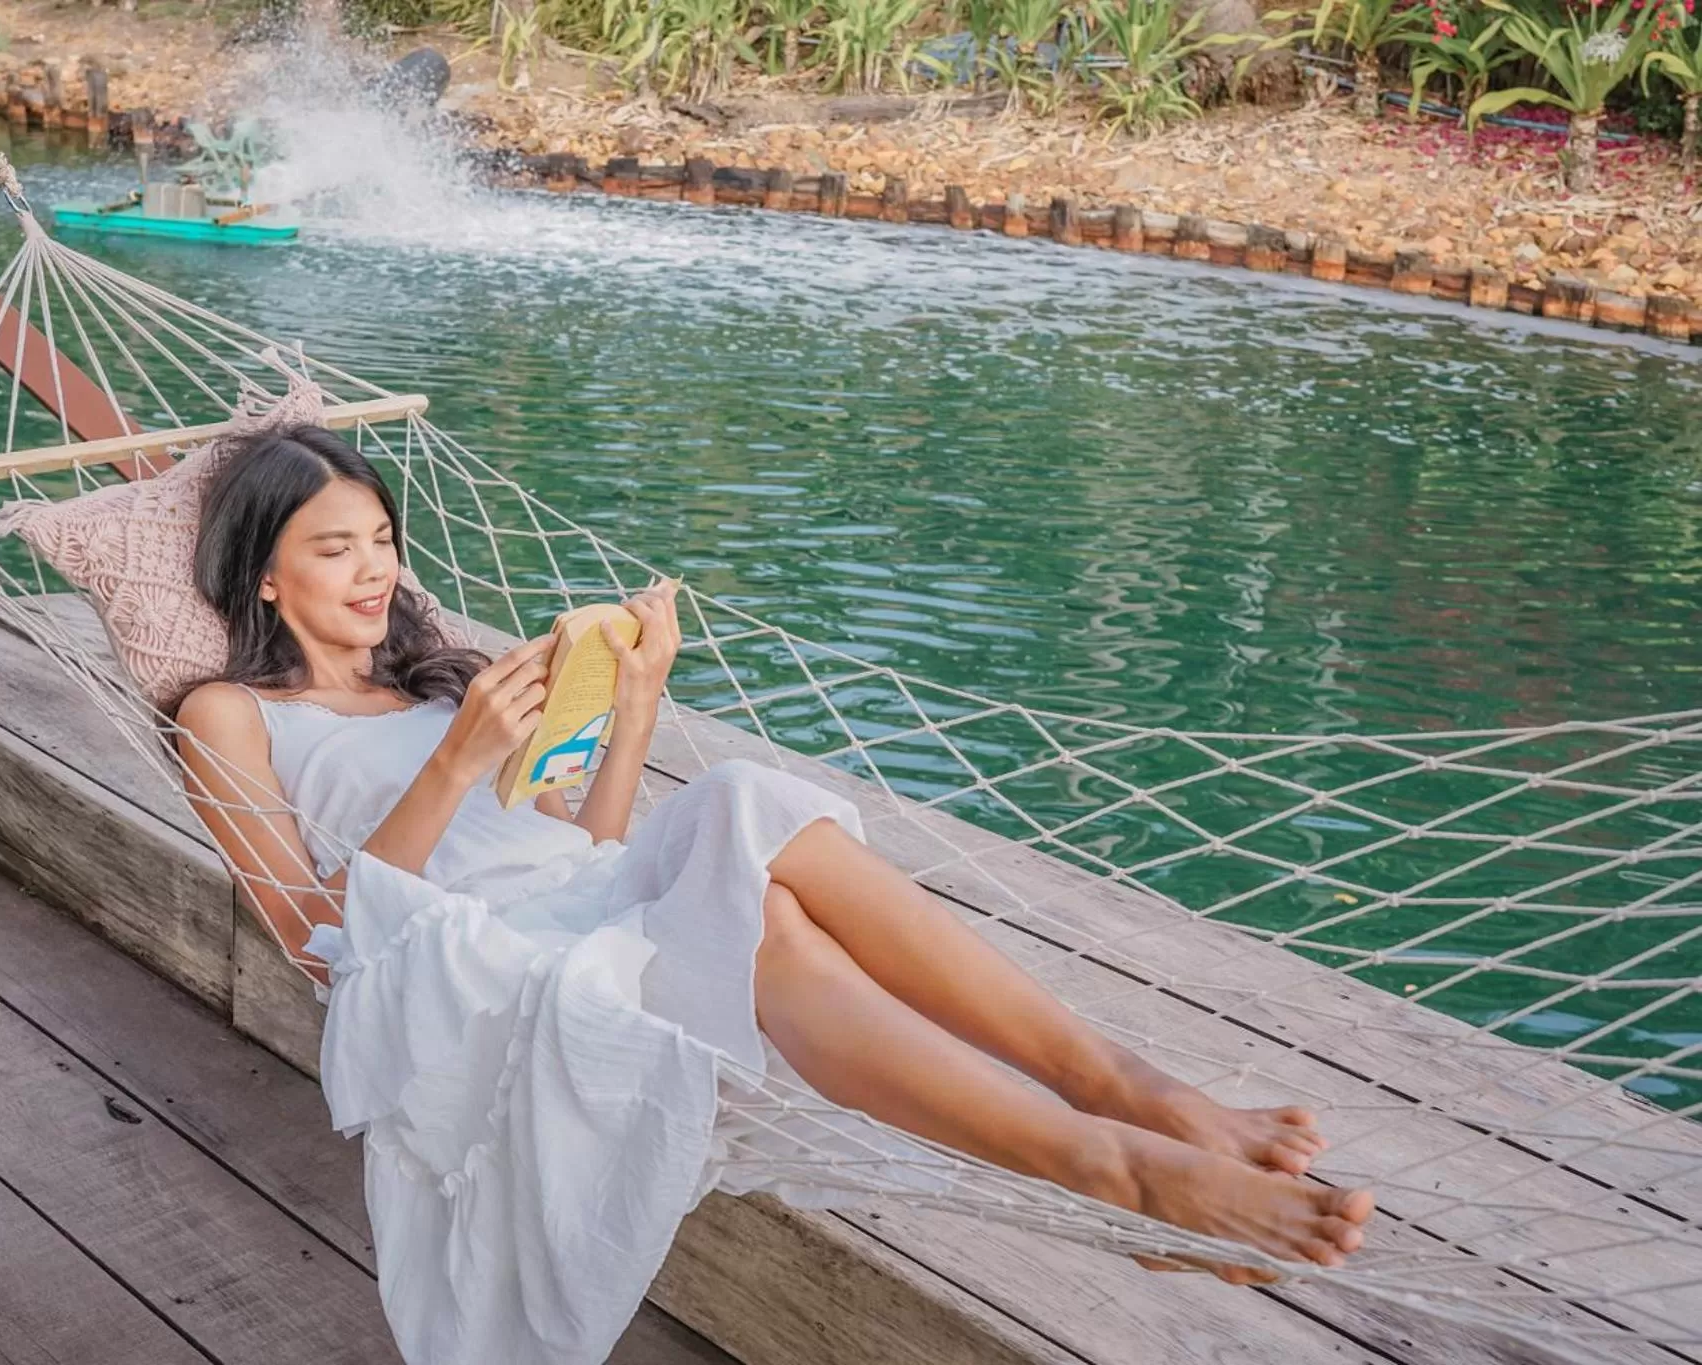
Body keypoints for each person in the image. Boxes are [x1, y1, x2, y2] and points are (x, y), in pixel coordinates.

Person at [174, 424, 1374, 1365]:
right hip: (471, 968)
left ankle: (1127, 1107)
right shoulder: (234, 715)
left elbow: (584, 848)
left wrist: (636, 703)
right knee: (772, 937)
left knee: (745, 797)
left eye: (381, 536)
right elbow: (312, 933)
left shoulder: (452, 681)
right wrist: (453, 763)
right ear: (264, 576)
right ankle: (1118, 1163)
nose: (374, 569)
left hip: (581, 904)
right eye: (334, 548)